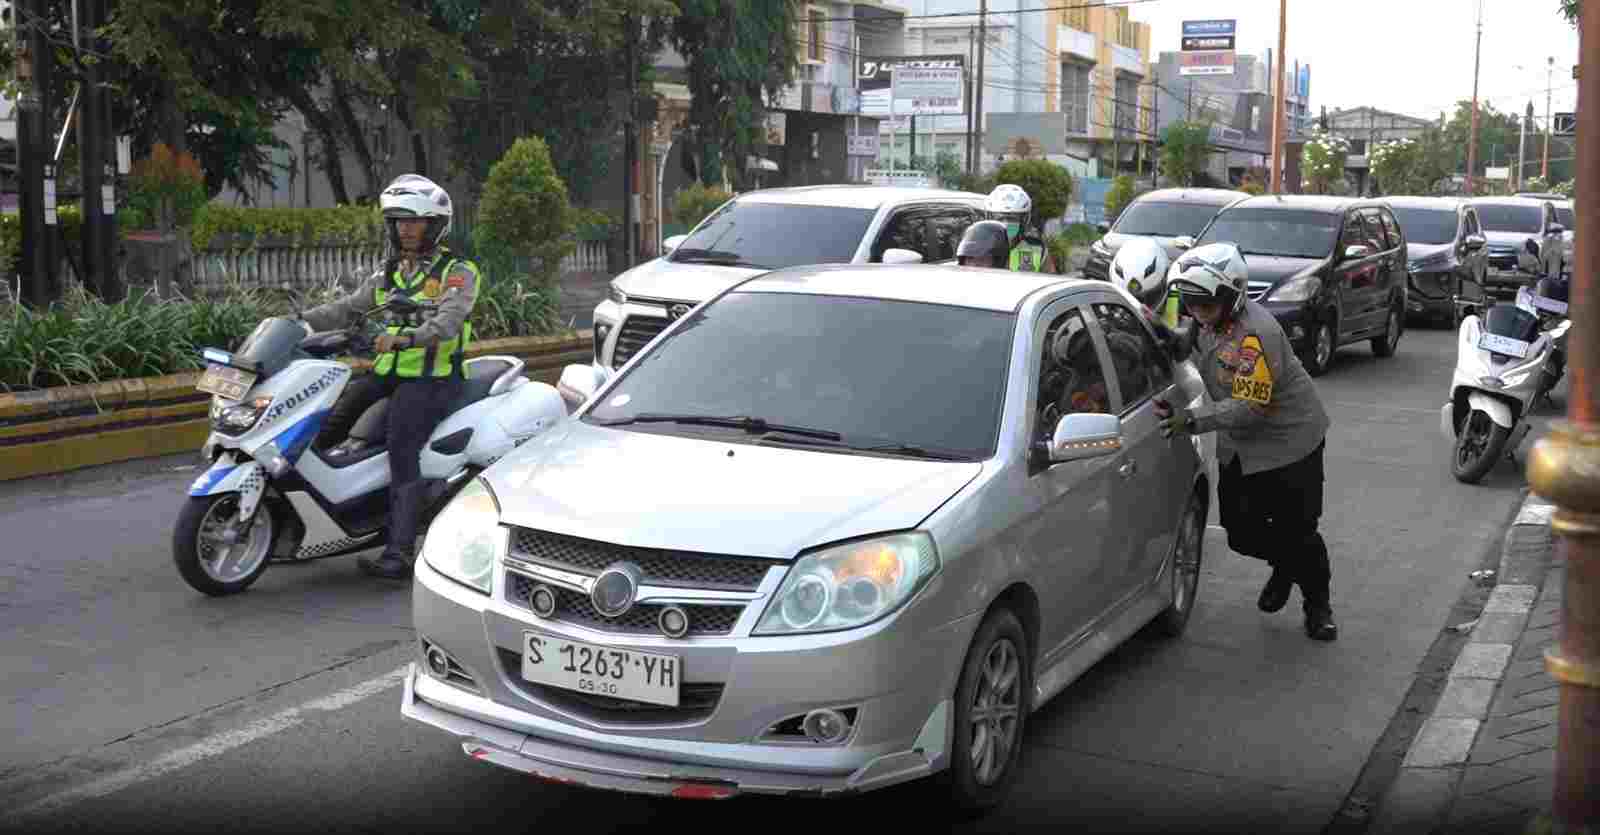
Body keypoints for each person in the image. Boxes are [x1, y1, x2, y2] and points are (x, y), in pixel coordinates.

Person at [296, 174, 482, 580]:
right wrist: (298, 324)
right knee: (329, 424)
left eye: (415, 221)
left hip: (433, 379)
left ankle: (399, 552)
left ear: (435, 225)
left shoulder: (458, 272)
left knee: (401, 445)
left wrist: (402, 339)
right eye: (399, 221)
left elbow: (448, 323)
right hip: (386, 373)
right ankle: (310, 519)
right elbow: (349, 308)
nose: (406, 229)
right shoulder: (389, 271)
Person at [1152, 242, 1337, 641]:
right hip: (1241, 447)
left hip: (1292, 443)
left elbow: (1250, 407)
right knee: (1240, 533)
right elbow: (1192, 341)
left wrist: (1189, 420)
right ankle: (1289, 564)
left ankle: (1317, 605)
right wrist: (1169, 338)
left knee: (1300, 531)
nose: (1197, 313)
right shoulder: (1204, 322)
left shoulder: (1257, 334)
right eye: (1192, 303)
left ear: (1231, 297)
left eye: (1206, 304)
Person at [985, 184, 1056, 273]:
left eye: (1012, 218)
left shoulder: (1037, 249)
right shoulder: (978, 247)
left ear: (1024, 220)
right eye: (1000, 218)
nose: (1006, 224)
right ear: (989, 218)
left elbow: (1050, 280)